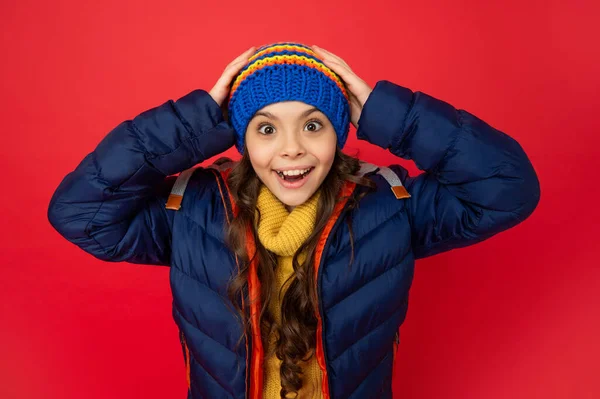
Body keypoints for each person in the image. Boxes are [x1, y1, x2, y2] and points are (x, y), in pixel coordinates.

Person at [47, 42, 541, 399]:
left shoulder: (390, 204)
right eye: (265, 128)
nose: (291, 149)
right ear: (240, 139)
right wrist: (194, 122)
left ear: (340, 129)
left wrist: (387, 113)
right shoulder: (192, 209)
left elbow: (506, 186)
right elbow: (80, 213)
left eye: (312, 124)